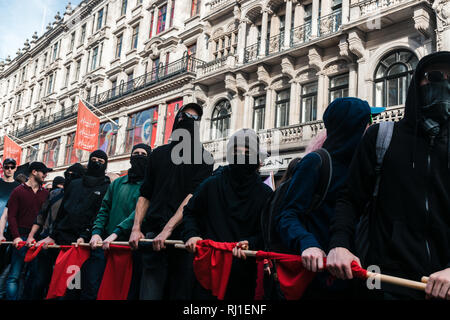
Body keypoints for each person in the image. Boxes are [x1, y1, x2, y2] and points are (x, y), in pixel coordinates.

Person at [327, 51, 450, 300]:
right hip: (385, 284)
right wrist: (339, 243)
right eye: (435, 76)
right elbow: (349, 198)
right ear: (417, 84)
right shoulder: (381, 137)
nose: (444, 83)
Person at [274, 97, 379, 299]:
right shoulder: (316, 162)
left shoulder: (368, 165)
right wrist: (307, 243)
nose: (372, 128)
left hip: (361, 276)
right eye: (369, 122)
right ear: (355, 126)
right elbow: (287, 214)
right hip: (322, 278)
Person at [116, 103, 214, 300]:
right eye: (185, 116)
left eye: (195, 119)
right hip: (152, 236)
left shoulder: (204, 158)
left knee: (179, 293)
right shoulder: (159, 154)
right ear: (177, 119)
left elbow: (192, 197)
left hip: (182, 239)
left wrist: (168, 230)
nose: (189, 121)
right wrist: (136, 228)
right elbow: (145, 194)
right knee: (148, 293)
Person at [183, 128, 273, 300]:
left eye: (247, 152)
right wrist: (192, 234)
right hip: (208, 271)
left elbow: (268, 232)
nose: (242, 156)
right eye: (237, 151)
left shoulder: (265, 193)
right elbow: (190, 212)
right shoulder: (211, 184)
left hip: (243, 275)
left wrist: (251, 243)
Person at [38, 150, 110, 299]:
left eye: (101, 162)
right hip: (66, 242)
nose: (96, 163)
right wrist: (53, 235)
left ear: (105, 165)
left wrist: (85, 235)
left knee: (87, 287)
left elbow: (100, 213)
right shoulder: (75, 184)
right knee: (66, 286)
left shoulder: (106, 187)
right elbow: (62, 212)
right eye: (94, 159)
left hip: (87, 245)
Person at [84, 143, 151, 300]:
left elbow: (140, 214)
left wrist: (117, 232)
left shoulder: (149, 185)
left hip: (132, 246)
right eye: (136, 153)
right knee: (98, 288)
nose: (139, 156)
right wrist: (96, 233)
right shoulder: (117, 183)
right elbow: (104, 210)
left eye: (143, 154)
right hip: (107, 245)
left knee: (127, 291)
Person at [23, 163, 85, 300]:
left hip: (70, 247)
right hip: (47, 243)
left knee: (70, 286)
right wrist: (31, 236)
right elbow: (41, 216)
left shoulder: (83, 197)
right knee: (40, 281)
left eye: (74, 177)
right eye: (68, 175)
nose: (70, 179)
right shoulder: (55, 194)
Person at [5, 162, 51, 300]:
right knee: (14, 275)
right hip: (20, 238)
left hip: (38, 241)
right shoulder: (18, 191)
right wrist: (16, 237)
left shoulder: (46, 194)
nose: (46, 175)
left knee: (34, 276)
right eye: (43, 172)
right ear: (34, 172)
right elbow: (11, 216)